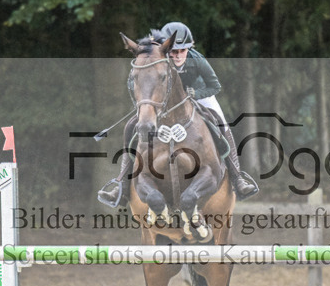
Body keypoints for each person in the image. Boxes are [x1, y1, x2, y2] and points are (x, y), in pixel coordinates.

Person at [97, 21, 259, 207]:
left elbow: (215, 86)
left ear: (189, 48)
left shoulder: (197, 60)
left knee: (221, 122)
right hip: (161, 102)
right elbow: (134, 84)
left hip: (198, 95)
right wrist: (143, 105)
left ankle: (238, 178)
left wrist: (194, 95)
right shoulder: (153, 60)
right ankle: (121, 185)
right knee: (130, 127)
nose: (178, 55)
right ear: (166, 50)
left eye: (183, 51)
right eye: (174, 51)